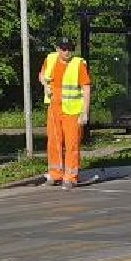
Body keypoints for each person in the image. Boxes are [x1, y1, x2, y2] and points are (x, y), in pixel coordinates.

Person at [36, 38, 91, 188]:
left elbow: (86, 88)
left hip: (72, 110)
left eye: (69, 49)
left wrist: (85, 112)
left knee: (71, 143)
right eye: (64, 48)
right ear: (58, 49)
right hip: (54, 108)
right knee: (54, 142)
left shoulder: (78, 64)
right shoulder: (51, 58)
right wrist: (45, 84)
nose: (67, 52)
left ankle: (71, 177)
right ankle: (55, 174)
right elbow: (41, 75)